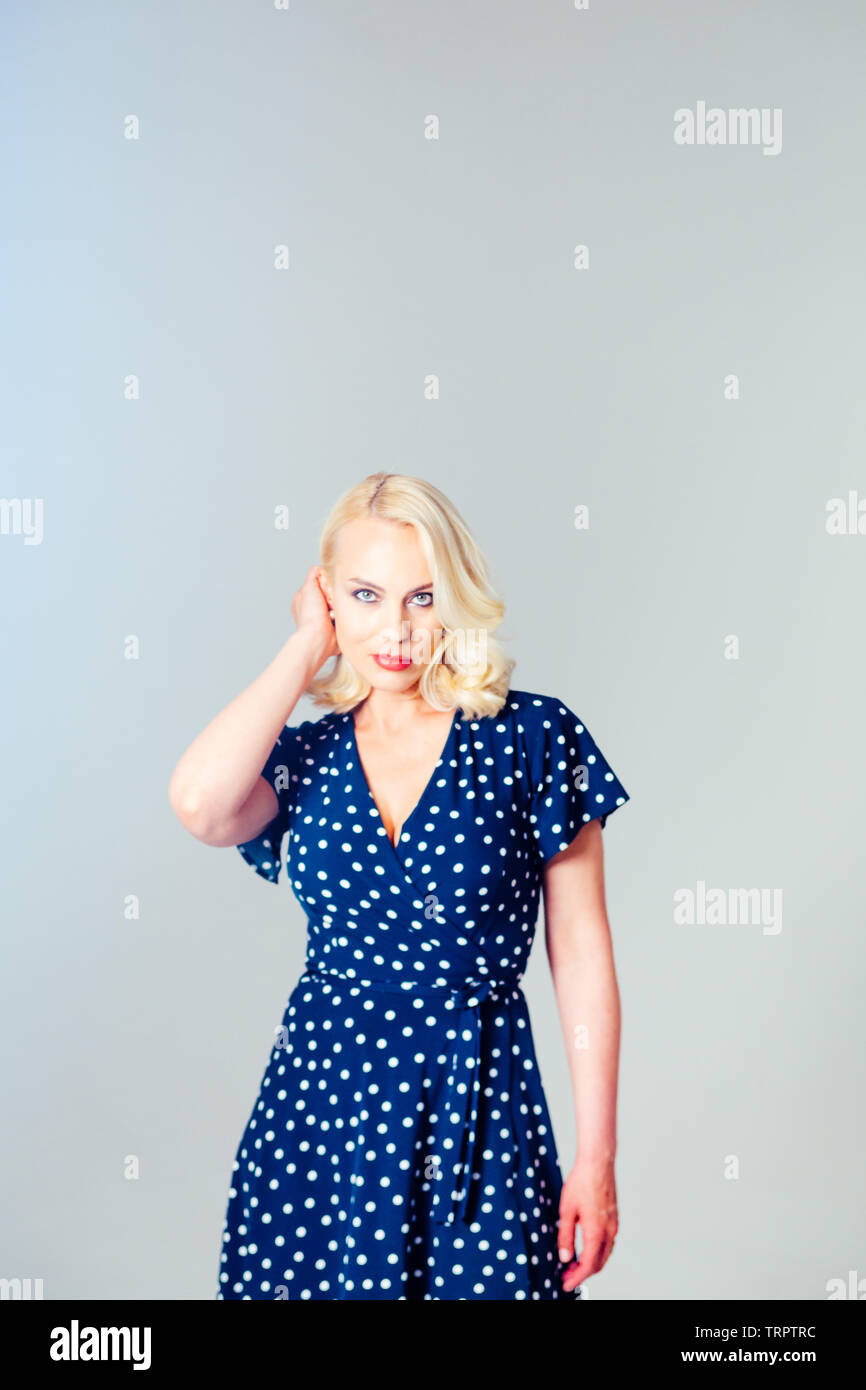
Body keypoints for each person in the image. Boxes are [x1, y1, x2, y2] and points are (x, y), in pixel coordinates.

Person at [168, 471, 630, 1301]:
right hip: (319, 1117)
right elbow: (201, 806)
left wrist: (596, 1159)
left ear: (454, 599)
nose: (397, 629)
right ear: (329, 597)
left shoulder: (531, 738)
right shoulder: (305, 760)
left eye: (422, 597)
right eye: (367, 595)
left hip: (477, 1108)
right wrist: (307, 646)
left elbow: (583, 954)